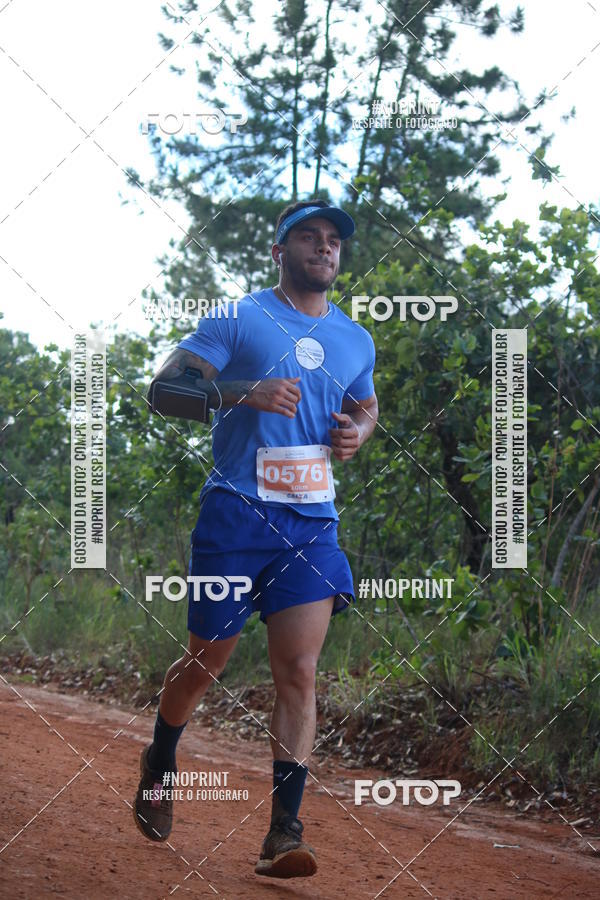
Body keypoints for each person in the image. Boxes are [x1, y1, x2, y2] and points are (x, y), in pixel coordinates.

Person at [133, 199, 378, 879]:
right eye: (309, 238)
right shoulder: (236, 318)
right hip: (236, 514)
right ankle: (160, 756)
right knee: (207, 661)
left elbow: (365, 400)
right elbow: (163, 392)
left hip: (311, 523)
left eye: (333, 241)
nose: (324, 248)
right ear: (280, 251)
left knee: (299, 671)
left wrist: (360, 430)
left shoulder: (356, 338)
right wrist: (243, 391)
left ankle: (283, 833)